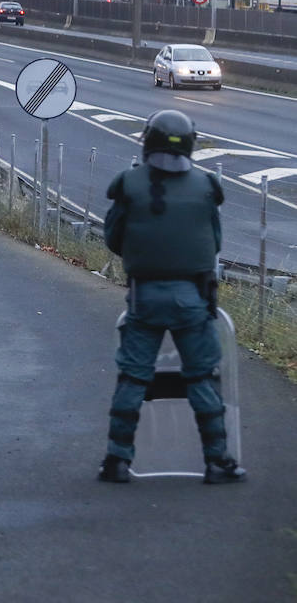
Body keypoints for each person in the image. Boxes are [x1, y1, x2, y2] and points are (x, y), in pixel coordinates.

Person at [98, 110, 246, 484]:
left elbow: (114, 238)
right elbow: (215, 241)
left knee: (133, 378)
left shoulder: (129, 184)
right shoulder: (207, 186)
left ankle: (117, 461)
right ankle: (218, 462)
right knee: (201, 378)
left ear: (148, 141)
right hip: (192, 297)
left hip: (144, 295)